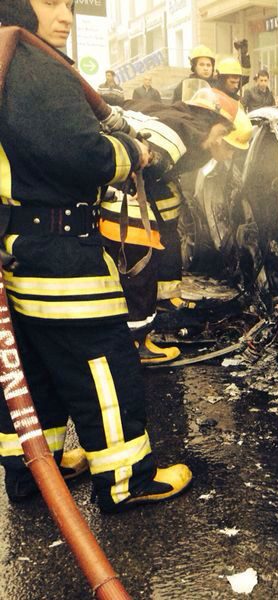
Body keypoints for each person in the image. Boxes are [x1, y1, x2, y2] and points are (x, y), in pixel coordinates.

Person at [0, 0, 191, 512]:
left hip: (22, 249)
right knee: (103, 364)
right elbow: (82, 153)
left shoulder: (7, 61)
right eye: (50, 2)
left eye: (69, 4)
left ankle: (34, 474)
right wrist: (132, 151)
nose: (65, 16)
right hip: (63, 254)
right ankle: (126, 480)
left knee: (34, 369)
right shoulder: (35, 66)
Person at [101, 88, 245, 363]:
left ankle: (161, 303)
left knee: (148, 257)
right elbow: (144, 162)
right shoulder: (178, 136)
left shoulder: (177, 119)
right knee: (138, 269)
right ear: (213, 122)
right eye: (227, 139)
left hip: (128, 193)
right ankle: (137, 344)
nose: (228, 152)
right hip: (125, 201)